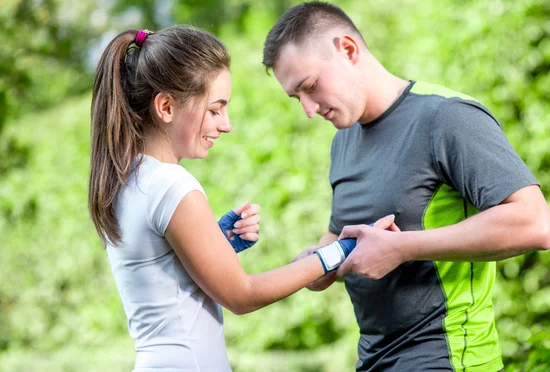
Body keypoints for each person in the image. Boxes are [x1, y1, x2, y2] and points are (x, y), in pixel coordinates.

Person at [263, 1, 550, 372]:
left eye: (311, 87)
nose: (307, 109)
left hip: (448, 360)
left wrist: (402, 248)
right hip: (373, 360)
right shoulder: (344, 140)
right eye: (296, 98)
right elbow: (342, 233)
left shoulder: (446, 117)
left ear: (348, 50)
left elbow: (535, 224)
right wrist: (319, 261)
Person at [88, 26, 396, 371]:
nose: (226, 125)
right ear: (166, 107)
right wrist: (341, 250)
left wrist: (216, 242)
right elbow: (242, 295)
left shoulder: (130, 179)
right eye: (215, 110)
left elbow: (163, 278)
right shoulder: (171, 185)